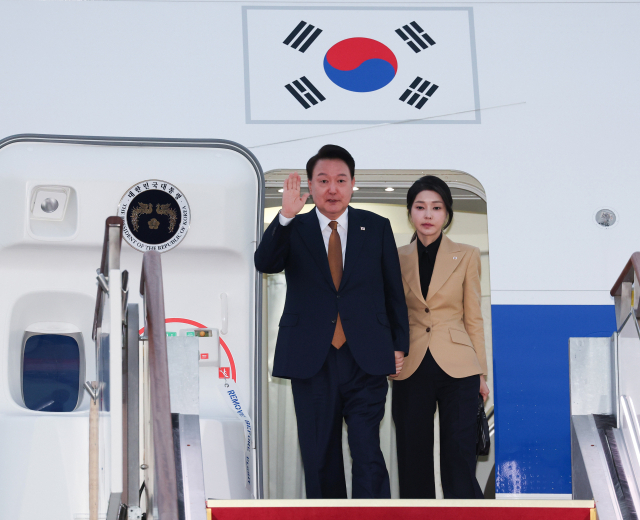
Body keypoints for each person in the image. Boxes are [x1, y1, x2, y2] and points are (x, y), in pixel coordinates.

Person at [254, 144, 409, 499]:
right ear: (310, 185)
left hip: (366, 358)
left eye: (340, 180)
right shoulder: (294, 226)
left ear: (353, 183)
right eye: (323, 181)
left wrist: (399, 345)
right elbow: (266, 263)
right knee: (319, 455)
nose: (332, 189)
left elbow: (393, 290)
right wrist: (285, 218)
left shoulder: (377, 226)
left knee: (367, 451)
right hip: (312, 359)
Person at [391, 175, 490, 499]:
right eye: (420, 207)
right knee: (411, 454)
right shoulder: (395, 256)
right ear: (410, 213)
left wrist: (481, 373)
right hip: (410, 364)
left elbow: (473, 316)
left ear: (447, 214)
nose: (428, 214)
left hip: (459, 367)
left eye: (436, 207)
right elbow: (391, 312)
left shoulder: (468, 254)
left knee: (458, 456)